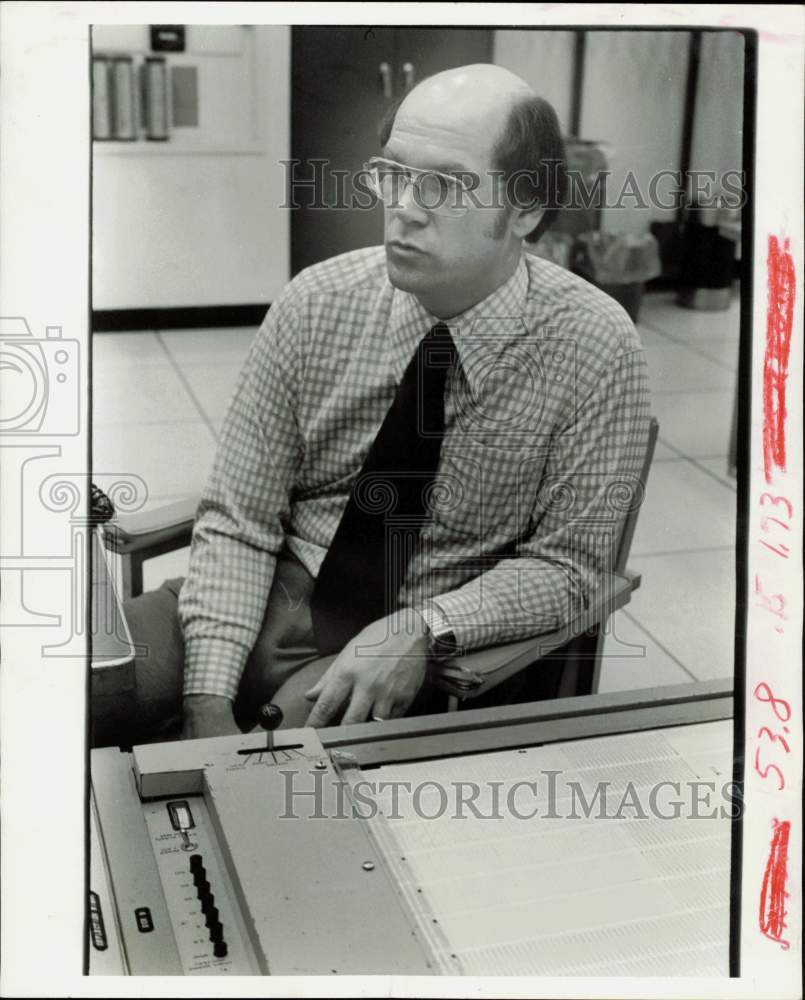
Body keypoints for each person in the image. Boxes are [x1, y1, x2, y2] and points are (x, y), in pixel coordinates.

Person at [95, 63, 649, 746]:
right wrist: (206, 697)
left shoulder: (593, 343)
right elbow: (239, 519)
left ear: (526, 209)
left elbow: (569, 567)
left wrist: (426, 628)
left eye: (442, 184)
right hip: (263, 589)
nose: (405, 208)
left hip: (399, 632)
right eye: (393, 175)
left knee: (269, 787)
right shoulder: (316, 301)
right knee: (71, 685)